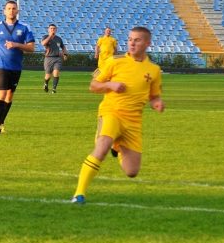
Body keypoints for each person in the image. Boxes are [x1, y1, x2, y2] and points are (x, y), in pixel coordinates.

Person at [71, 26, 165, 205]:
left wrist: (157, 103)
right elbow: (93, 85)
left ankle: (118, 146)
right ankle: (79, 194)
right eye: (130, 39)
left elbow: (154, 97)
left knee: (131, 171)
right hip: (111, 112)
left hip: (133, 121)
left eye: (137, 40)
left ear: (147, 43)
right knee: (102, 146)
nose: (132, 43)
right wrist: (110, 85)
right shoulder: (114, 61)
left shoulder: (153, 69)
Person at [0, 0, 36, 135]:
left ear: (17, 11)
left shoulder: (24, 28)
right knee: (2, 92)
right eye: (9, 8)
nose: (11, 11)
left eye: (14, 8)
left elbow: (32, 48)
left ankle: (1, 123)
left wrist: (17, 45)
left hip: (16, 67)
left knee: (10, 95)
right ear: (4, 11)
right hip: (1, 66)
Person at [41, 23, 67, 93]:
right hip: (48, 58)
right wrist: (50, 36)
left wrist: (65, 54)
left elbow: (63, 47)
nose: (53, 30)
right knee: (48, 76)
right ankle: (46, 83)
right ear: (48, 30)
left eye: (54, 28)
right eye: (51, 28)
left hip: (57, 58)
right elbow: (43, 44)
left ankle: (54, 89)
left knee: (56, 73)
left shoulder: (58, 39)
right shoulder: (45, 36)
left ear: (56, 30)